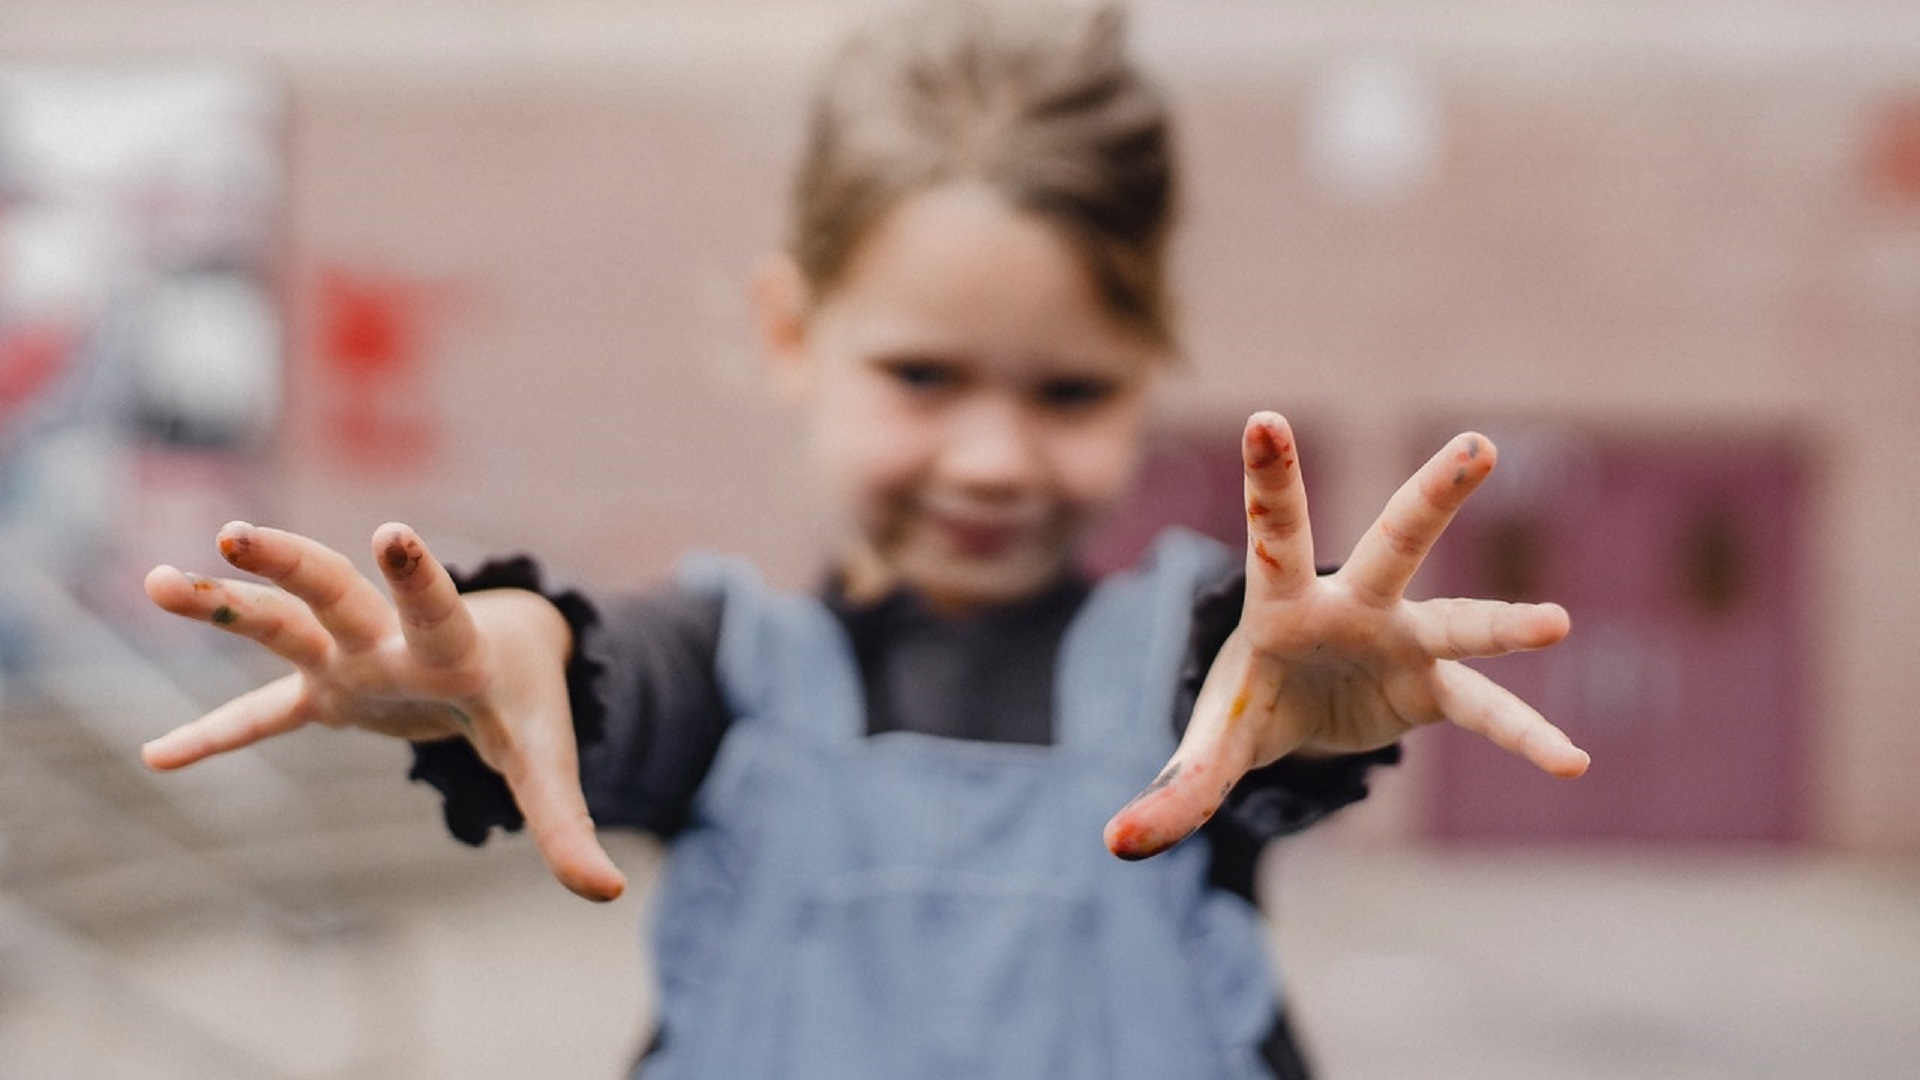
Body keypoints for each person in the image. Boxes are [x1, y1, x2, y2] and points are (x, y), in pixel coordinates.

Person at [139, 3, 1589, 1077]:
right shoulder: (723, 675)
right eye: (924, 377)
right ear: (791, 334)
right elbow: (603, 674)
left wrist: (1315, 721)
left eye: (1069, 391)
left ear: (1154, 363)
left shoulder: (1202, 679)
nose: (994, 456)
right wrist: (499, 652)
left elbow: (1263, 693)